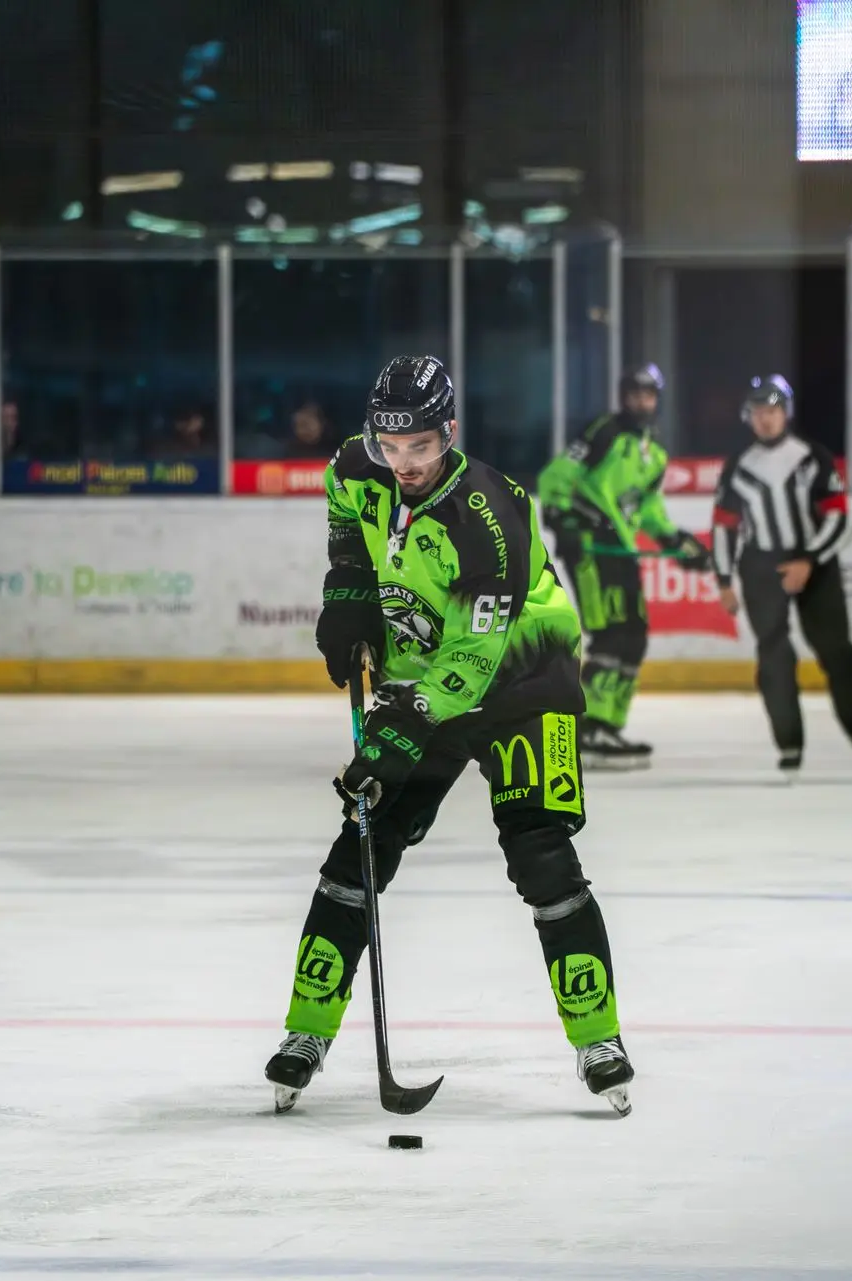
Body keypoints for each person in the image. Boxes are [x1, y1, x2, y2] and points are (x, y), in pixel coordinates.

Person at [264, 354, 634, 1117]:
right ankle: (305, 1031)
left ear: (451, 433)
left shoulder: (489, 518)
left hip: (524, 678)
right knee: (362, 843)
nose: (403, 463)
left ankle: (599, 1039)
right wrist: (349, 591)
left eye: (422, 447)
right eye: (391, 445)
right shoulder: (356, 466)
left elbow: (472, 658)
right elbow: (344, 508)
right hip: (425, 672)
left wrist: (394, 735)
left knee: (539, 849)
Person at [537, 363, 710, 770]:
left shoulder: (654, 454)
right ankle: (586, 729)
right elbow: (557, 476)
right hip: (591, 548)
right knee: (611, 634)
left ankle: (607, 725)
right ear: (622, 396)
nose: (640, 402)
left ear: (657, 399)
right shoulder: (605, 432)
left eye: (647, 395)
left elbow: (648, 511)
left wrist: (676, 542)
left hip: (621, 550)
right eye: (634, 394)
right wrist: (563, 522)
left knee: (634, 637)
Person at [712, 375, 852, 779]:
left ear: (785, 413)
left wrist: (808, 560)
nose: (765, 419)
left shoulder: (812, 456)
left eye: (772, 411)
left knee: (837, 651)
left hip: (815, 564)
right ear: (748, 418)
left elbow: (838, 518)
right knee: (774, 658)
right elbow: (723, 527)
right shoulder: (739, 466)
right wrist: (723, 579)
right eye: (758, 413)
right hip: (761, 567)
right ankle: (789, 743)